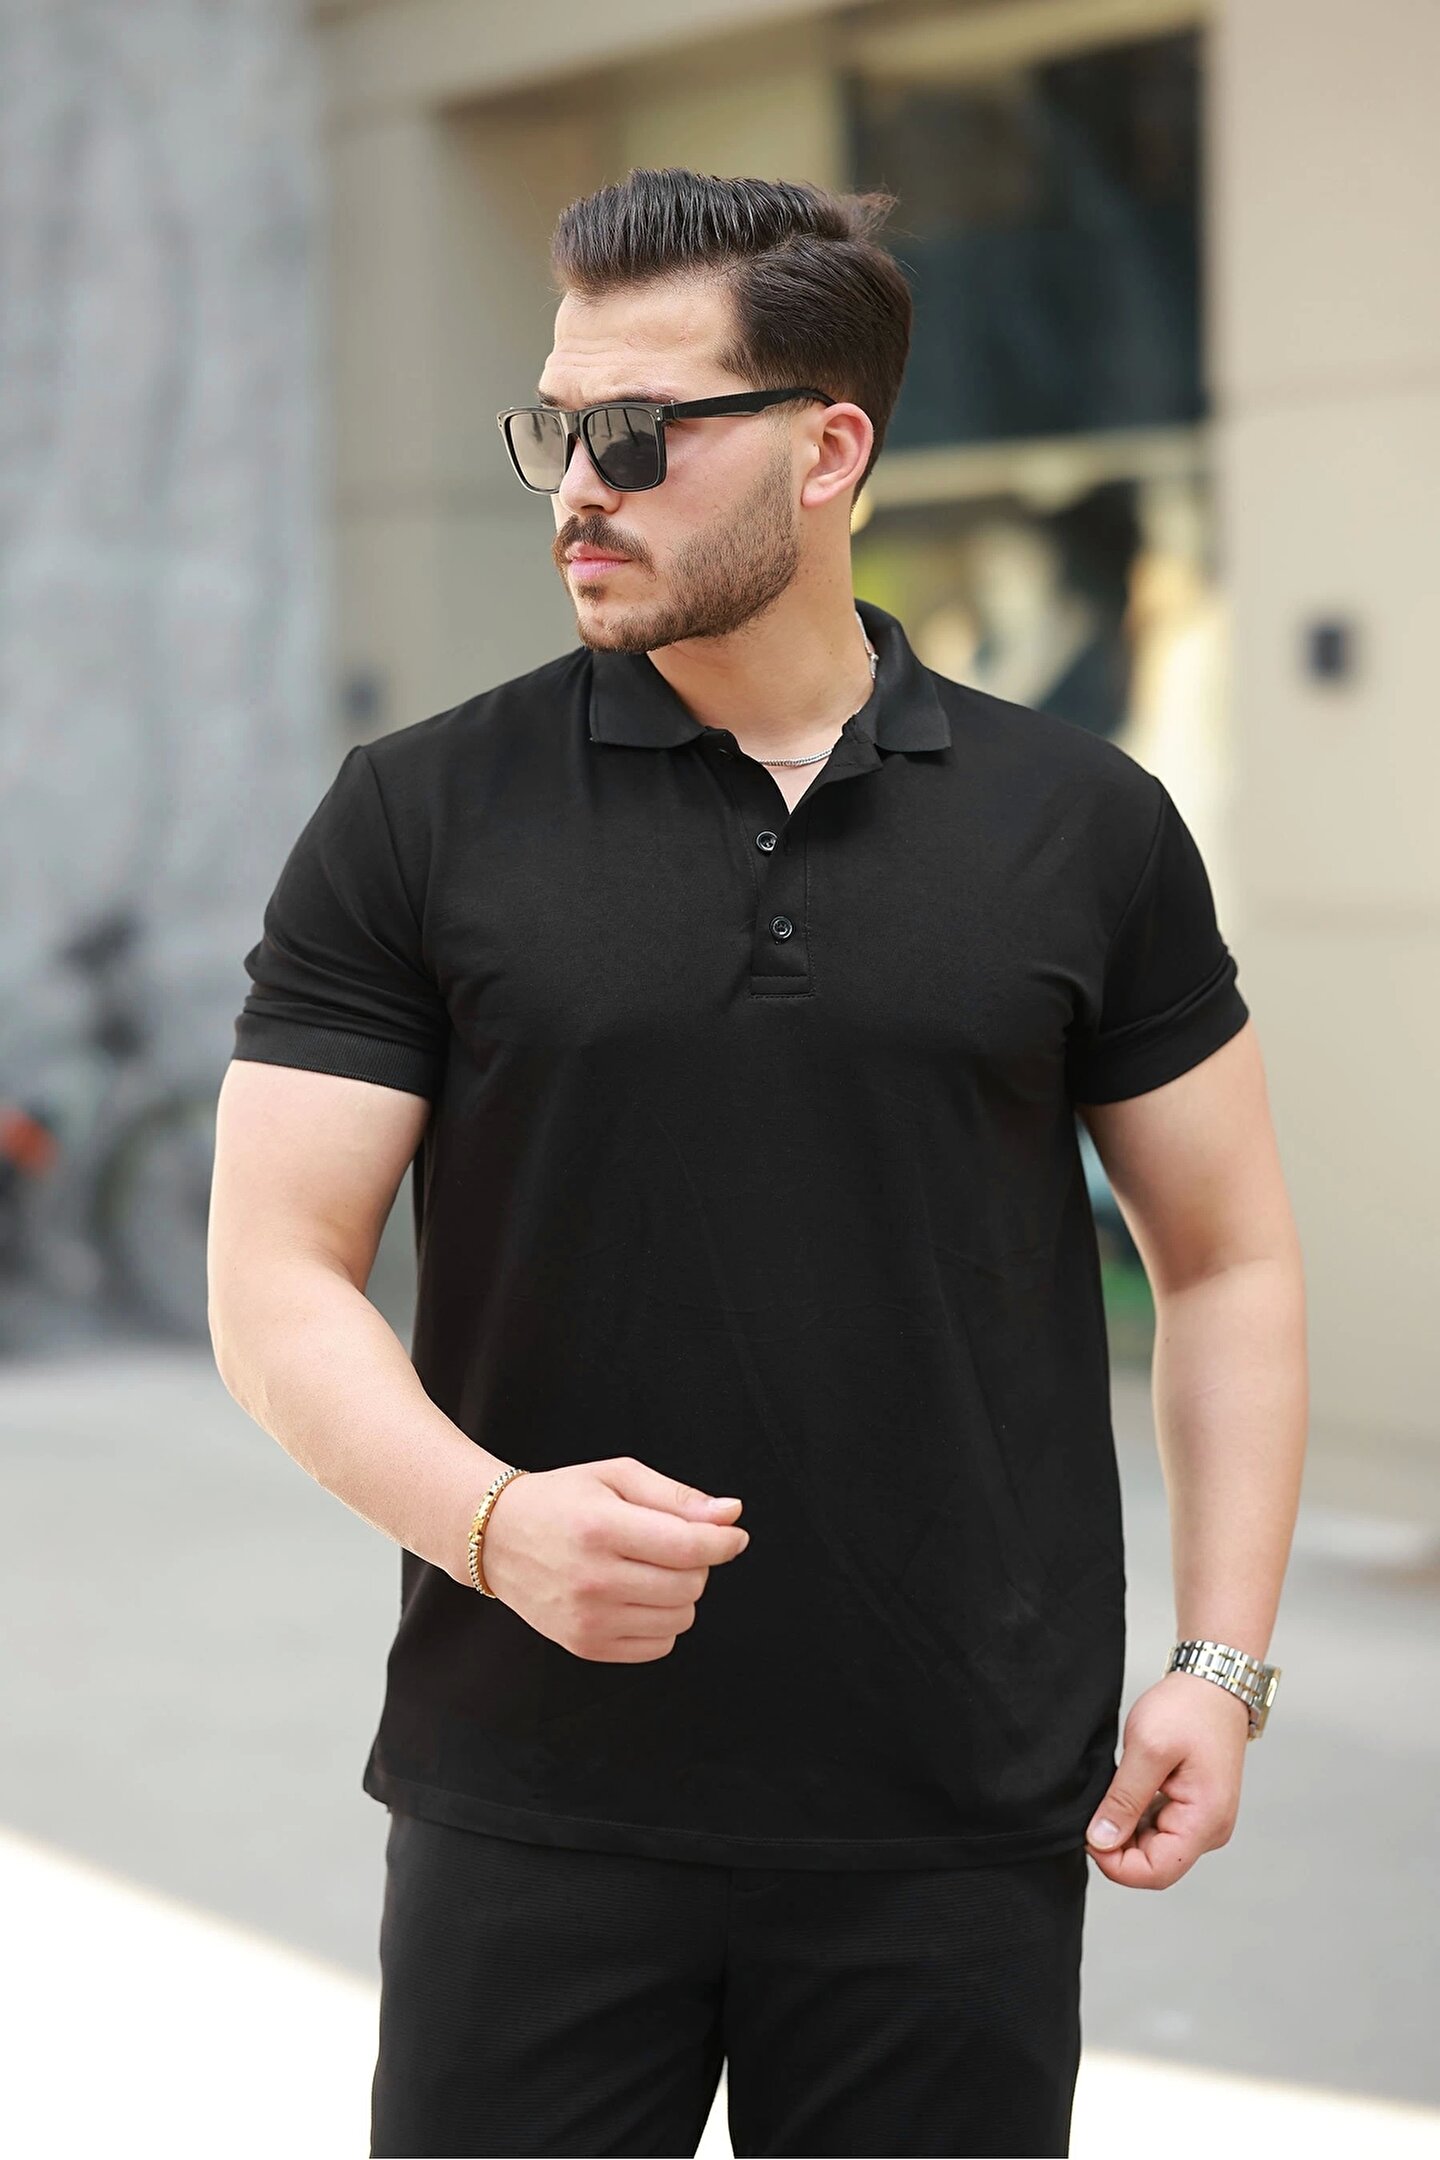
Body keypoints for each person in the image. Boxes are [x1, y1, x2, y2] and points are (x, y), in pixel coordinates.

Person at [208, 169, 1307, 2159]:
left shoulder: (1088, 823)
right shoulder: (415, 815)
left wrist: (1219, 1667)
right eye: (557, 428)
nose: (578, 487)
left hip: (959, 1815)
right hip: (531, 1791)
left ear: (830, 449)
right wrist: (489, 1525)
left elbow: (1224, 1258)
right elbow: (276, 1271)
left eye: (639, 433)